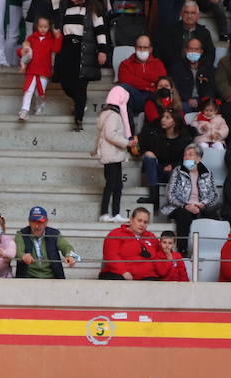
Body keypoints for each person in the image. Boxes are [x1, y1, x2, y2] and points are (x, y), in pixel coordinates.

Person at [53, 0, 109, 133]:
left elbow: (100, 30)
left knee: (80, 86)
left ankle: (78, 120)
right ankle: (80, 102)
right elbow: (58, 26)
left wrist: (102, 50)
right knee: (66, 84)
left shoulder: (93, 10)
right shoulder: (65, 8)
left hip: (84, 52)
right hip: (67, 51)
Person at [161, 144, 218, 255]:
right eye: (185, 155)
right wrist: (186, 205)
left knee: (213, 215)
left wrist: (203, 204)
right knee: (184, 215)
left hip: (200, 206)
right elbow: (171, 194)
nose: (186, 157)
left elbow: (214, 194)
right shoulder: (178, 171)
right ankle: (182, 251)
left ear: (198, 158)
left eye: (190, 155)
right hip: (180, 207)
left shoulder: (207, 173)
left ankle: (209, 251)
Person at [94, 88, 131, 223]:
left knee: (116, 184)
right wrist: (127, 143)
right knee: (112, 184)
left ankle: (115, 213)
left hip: (113, 154)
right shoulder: (113, 115)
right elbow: (110, 135)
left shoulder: (108, 113)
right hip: (112, 154)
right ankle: (105, 213)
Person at [99, 206, 166, 279]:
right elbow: (111, 256)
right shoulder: (116, 234)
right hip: (120, 274)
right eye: (139, 221)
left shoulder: (151, 237)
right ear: (131, 220)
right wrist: (123, 272)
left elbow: (162, 253)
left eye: (145, 222)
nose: (142, 224)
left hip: (147, 276)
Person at [17, 14, 60, 122]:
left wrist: (58, 37)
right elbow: (23, 51)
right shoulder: (31, 38)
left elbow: (56, 48)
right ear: (37, 26)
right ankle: (24, 110)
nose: (43, 29)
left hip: (44, 71)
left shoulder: (51, 39)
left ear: (49, 27)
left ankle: (40, 106)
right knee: (28, 90)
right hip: (32, 70)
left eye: (45, 27)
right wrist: (22, 51)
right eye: (41, 26)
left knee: (39, 92)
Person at [16, 205, 78, 279]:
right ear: (29, 222)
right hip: (28, 277)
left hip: (52, 277)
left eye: (40, 222)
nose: (37, 226)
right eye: (34, 222)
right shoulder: (21, 234)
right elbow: (18, 250)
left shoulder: (54, 234)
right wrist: (23, 255)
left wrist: (70, 255)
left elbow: (66, 246)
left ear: (46, 222)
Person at [116, 34, 165, 116]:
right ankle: (129, 127)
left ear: (150, 49)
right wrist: (150, 83)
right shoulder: (125, 64)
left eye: (145, 47)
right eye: (139, 47)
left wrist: (139, 77)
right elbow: (125, 81)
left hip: (153, 96)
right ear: (135, 48)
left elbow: (162, 81)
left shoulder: (158, 63)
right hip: (135, 96)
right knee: (122, 89)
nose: (142, 50)